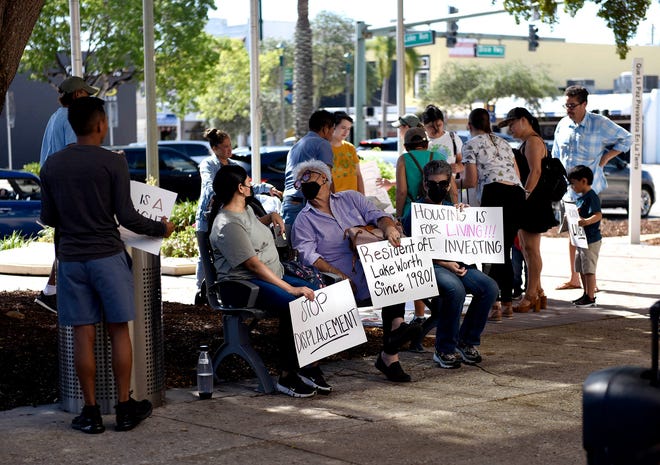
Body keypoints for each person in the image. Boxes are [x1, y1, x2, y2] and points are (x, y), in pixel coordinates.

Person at [39, 97, 175, 434]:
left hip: (71, 260)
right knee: (118, 330)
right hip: (108, 257)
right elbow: (126, 215)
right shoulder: (112, 163)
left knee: (83, 335)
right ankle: (125, 408)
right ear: (101, 124)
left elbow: (48, 218)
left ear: (72, 125)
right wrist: (161, 229)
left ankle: (90, 412)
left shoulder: (52, 165)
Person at [291, 159, 421, 382]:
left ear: (325, 179)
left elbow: (377, 214)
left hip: (372, 268)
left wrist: (389, 228)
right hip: (337, 277)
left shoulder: (350, 197)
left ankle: (391, 350)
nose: (305, 182)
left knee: (396, 275)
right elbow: (309, 256)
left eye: (309, 176)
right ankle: (393, 342)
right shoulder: (304, 220)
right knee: (382, 282)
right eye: (301, 180)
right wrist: (339, 276)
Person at [208, 164, 328, 397]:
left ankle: (310, 366)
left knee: (318, 294)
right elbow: (253, 265)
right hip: (242, 286)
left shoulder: (245, 210)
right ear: (240, 188)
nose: (251, 182)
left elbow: (252, 227)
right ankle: (287, 375)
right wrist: (291, 289)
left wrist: (271, 216)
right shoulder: (227, 224)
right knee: (296, 302)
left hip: (268, 277)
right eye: (247, 181)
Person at [402, 160, 498, 367]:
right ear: (425, 185)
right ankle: (444, 348)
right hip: (431, 265)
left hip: (458, 263)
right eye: (433, 183)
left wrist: (466, 217)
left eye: (443, 184)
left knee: (489, 287)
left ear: (449, 184)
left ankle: (466, 341)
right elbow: (413, 250)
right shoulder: (415, 212)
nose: (438, 188)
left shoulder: (452, 209)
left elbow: (466, 240)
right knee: (455, 290)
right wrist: (444, 263)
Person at [552, 85, 631, 291]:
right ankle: (574, 278)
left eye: (572, 105)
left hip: (589, 189)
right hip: (568, 190)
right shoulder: (562, 124)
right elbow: (555, 154)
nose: (568, 109)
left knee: (587, 233)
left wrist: (606, 157)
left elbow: (627, 139)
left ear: (584, 104)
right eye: (566, 105)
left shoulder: (600, 123)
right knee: (573, 233)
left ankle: (590, 281)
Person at [193, 128, 281, 305]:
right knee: (206, 254)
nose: (229, 150)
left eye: (230, 146)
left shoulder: (233, 166)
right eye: (225, 147)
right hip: (210, 215)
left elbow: (246, 185)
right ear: (214, 148)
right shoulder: (208, 165)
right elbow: (211, 187)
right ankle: (205, 290)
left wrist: (267, 188)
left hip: (232, 214)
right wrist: (225, 191)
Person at [35, 76, 99, 313]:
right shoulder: (74, 118)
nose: (89, 98)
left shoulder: (55, 116)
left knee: (66, 238)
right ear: (77, 94)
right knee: (70, 240)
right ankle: (53, 292)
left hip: (53, 185)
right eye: (86, 93)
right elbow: (78, 152)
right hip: (69, 187)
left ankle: (53, 291)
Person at [462, 108, 525, 320]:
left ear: (470, 126)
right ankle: (507, 303)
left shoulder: (470, 144)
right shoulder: (504, 142)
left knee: (491, 251)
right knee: (504, 250)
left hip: (494, 192)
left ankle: (494, 305)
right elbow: (516, 174)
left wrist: (453, 183)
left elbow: (470, 181)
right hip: (516, 193)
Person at [498, 107, 558, 313]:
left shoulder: (533, 141)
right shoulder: (528, 142)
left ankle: (531, 294)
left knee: (531, 249)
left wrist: (523, 196)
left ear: (524, 120)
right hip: (531, 201)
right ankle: (538, 291)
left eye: (512, 124)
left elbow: (536, 171)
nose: (510, 129)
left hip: (533, 202)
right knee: (526, 248)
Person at [282, 110, 335, 231]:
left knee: (292, 247)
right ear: (325, 128)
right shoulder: (323, 144)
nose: (333, 133)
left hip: (288, 203)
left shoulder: (296, 146)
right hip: (306, 204)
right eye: (332, 129)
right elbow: (326, 178)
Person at [567, 165, 602, 307]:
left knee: (589, 269)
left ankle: (591, 297)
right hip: (581, 238)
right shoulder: (581, 198)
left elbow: (598, 214)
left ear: (584, 181)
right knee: (581, 267)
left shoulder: (591, 196)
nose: (572, 186)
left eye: (573, 183)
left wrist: (586, 221)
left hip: (591, 239)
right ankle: (585, 294)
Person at [421, 104, 464, 203]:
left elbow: (462, 162)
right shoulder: (423, 143)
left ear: (443, 122)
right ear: (424, 126)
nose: (436, 130)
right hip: (428, 190)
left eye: (439, 125)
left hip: (449, 189)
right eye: (431, 127)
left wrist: (459, 167)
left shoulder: (453, 138)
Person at [331, 111, 364, 193]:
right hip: (334, 200)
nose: (346, 132)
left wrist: (362, 198)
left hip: (353, 199)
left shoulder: (350, 148)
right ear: (333, 127)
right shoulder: (324, 149)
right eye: (343, 128)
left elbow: (358, 175)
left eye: (348, 129)